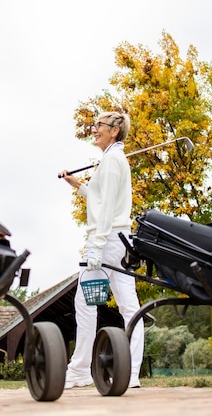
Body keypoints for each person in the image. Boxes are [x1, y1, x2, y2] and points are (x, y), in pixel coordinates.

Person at [59, 111, 144, 389]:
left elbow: (106, 208)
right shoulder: (113, 159)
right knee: (129, 306)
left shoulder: (111, 161)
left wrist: (95, 247)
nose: (94, 129)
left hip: (105, 241)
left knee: (85, 304)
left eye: (100, 126)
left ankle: (81, 370)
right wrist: (78, 186)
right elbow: (100, 198)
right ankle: (131, 374)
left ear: (114, 131)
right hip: (119, 240)